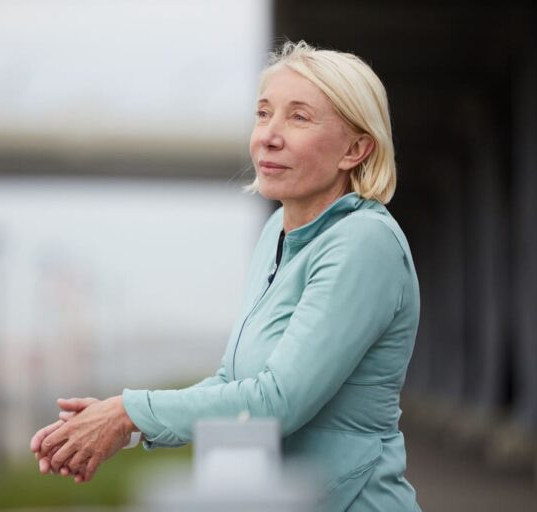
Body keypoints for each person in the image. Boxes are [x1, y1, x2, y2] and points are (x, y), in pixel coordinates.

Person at [30, 40, 422, 511]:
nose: (268, 136)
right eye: (263, 114)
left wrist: (129, 412)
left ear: (356, 149)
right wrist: (126, 424)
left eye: (298, 117)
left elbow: (278, 402)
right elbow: (232, 380)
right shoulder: (277, 230)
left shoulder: (363, 241)